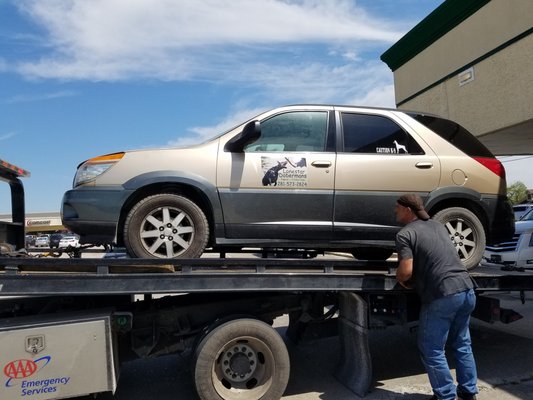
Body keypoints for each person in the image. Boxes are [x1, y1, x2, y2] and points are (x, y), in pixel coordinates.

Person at [394, 193, 478, 400]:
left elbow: (406, 271)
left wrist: (399, 276)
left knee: (431, 349)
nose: (394, 211)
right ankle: (468, 393)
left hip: (443, 294)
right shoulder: (438, 226)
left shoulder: (405, 234)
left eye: (397, 208)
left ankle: (445, 396)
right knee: (461, 343)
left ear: (407, 210)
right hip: (467, 289)